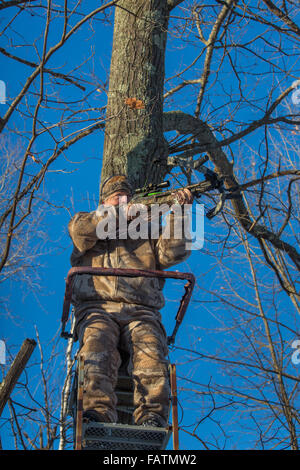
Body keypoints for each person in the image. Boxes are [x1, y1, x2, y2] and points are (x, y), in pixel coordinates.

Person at [68, 175, 193, 427]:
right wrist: (120, 214)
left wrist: (180, 212)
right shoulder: (86, 221)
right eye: (116, 197)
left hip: (141, 309)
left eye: (125, 197)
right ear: (104, 201)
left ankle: (152, 416)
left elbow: (173, 253)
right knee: (96, 347)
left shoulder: (146, 231)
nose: (122, 200)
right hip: (98, 307)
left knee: (151, 352)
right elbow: (81, 232)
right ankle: (96, 414)